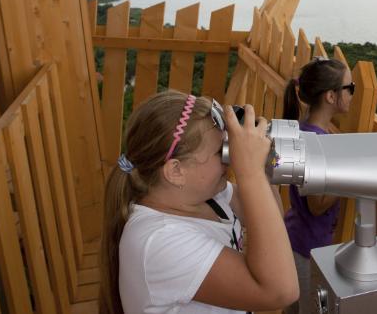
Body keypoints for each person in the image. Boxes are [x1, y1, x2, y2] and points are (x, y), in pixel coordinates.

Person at [99, 91, 298, 314]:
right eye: (219, 152)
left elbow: (271, 217)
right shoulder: (159, 242)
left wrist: (260, 160)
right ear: (176, 171)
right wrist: (250, 172)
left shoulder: (205, 196)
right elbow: (280, 292)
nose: (229, 159)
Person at [281, 57, 354, 313]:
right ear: (331, 97)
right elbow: (316, 205)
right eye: (349, 88)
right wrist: (348, 175)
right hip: (306, 248)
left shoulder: (306, 130)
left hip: (296, 236)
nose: (352, 94)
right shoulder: (316, 142)